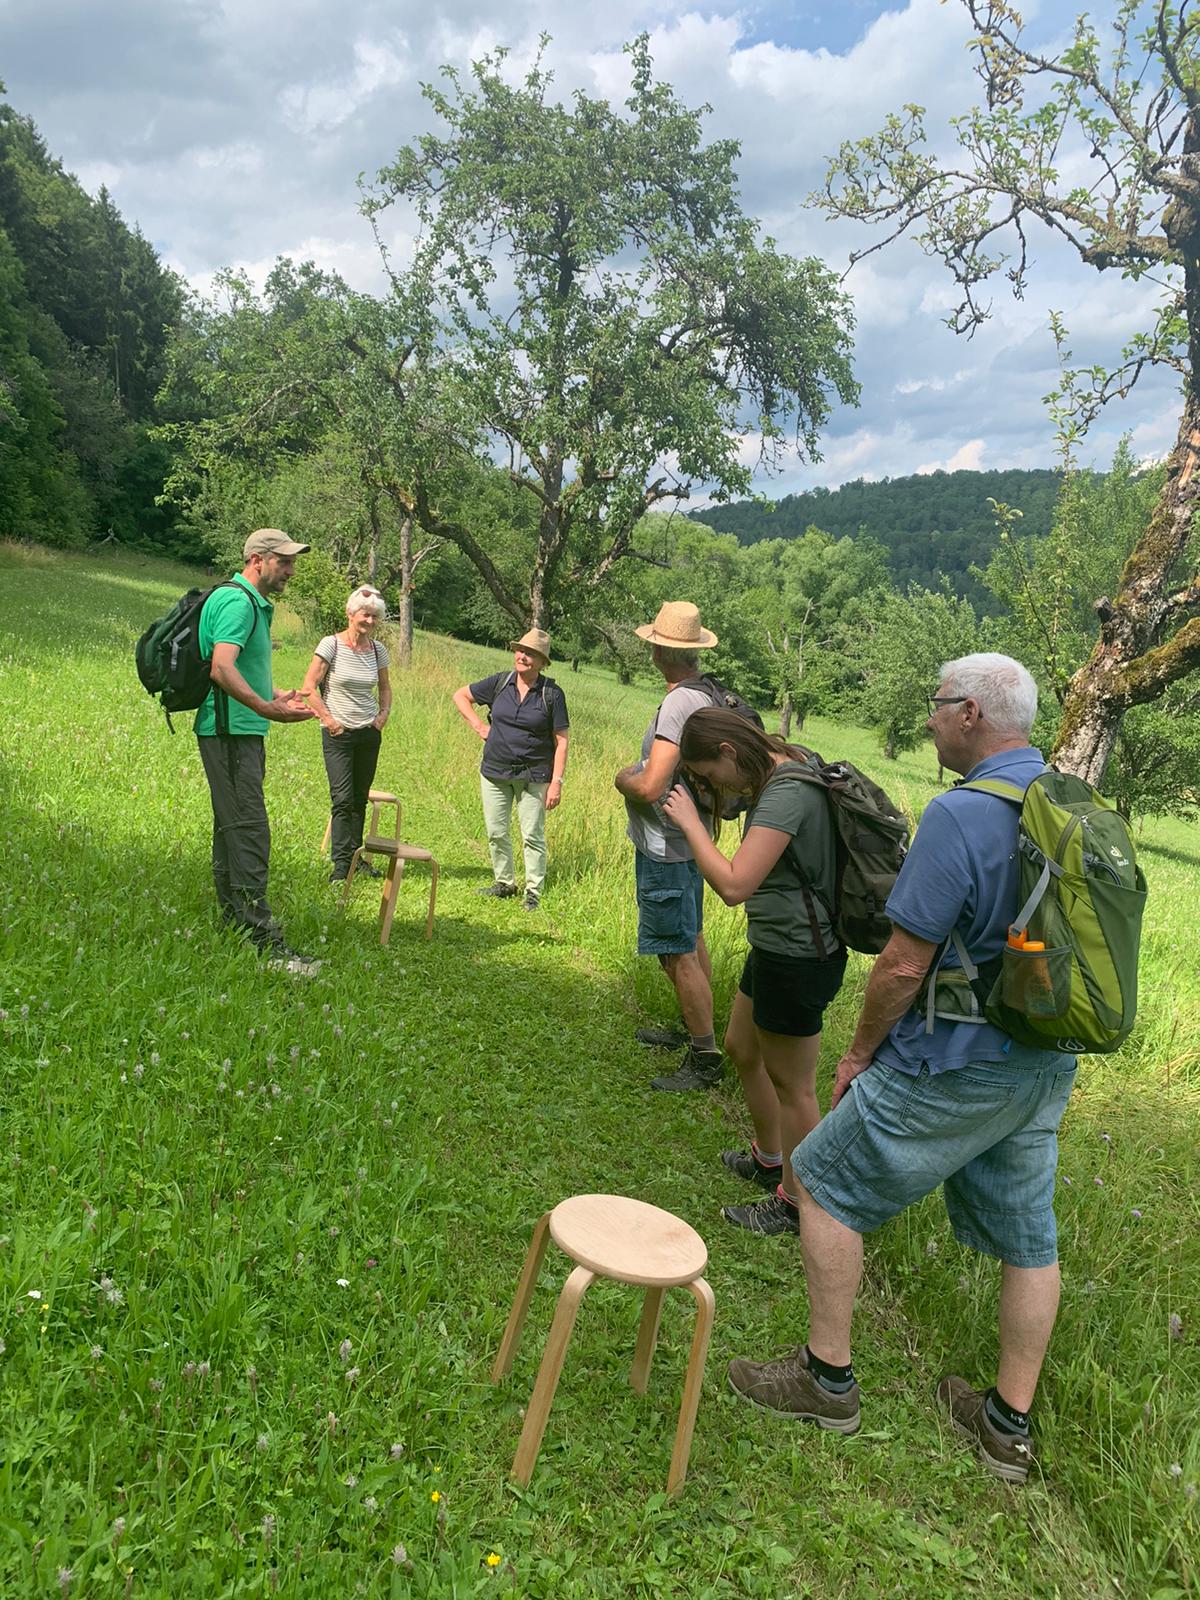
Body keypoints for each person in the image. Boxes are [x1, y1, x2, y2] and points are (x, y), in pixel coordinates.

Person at [726, 654, 1077, 1484]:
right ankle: (1006, 1428)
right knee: (1030, 1237)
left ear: (970, 715)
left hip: (953, 1060)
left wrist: (858, 1052)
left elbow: (900, 964)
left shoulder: (962, 814)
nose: (927, 718)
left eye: (936, 704)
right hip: (1044, 1061)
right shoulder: (1066, 801)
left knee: (814, 1178)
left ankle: (827, 1380)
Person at [662, 708, 847, 1235]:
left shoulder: (787, 790)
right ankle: (771, 1159)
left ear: (727, 751)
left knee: (796, 1087)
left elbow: (735, 885)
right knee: (742, 1048)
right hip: (776, 946)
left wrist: (692, 826)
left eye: (711, 776)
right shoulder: (778, 769)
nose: (716, 788)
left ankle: (798, 1203)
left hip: (799, 957)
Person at [195, 529, 317, 972]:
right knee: (248, 830)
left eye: (291, 562)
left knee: (232, 827)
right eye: (283, 561)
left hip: (238, 731)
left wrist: (274, 693)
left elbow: (239, 668)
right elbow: (222, 667)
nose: (290, 570)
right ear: (257, 560)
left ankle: (235, 925)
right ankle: (264, 944)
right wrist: (266, 708)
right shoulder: (237, 602)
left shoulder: (250, 603)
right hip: (229, 733)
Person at [614, 602, 723, 1092]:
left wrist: (623, 779)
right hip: (686, 841)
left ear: (660, 649)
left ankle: (705, 1057)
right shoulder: (704, 692)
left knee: (676, 950)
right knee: (689, 937)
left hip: (668, 846)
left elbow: (653, 784)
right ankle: (695, 1028)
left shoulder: (680, 703)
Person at [452, 629, 569, 911]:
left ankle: (533, 891)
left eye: (531, 654)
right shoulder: (500, 682)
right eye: (520, 651)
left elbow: (561, 741)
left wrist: (557, 782)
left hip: (534, 775)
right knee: (496, 830)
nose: (523, 656)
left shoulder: (551, 694)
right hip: (494, 770)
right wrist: (479, 726)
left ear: (542, 662)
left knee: (532, 834)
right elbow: (460, 696)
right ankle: (504, 882)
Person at [300, 586, 393, 886]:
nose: (369, 621)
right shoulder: (331, 645)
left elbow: (385, 687)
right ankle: (341, 865)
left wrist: (384, 714)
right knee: (341, 799)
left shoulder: (378, 650)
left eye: (374, 616)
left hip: (368, 733)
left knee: (358, 799)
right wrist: (328, 720)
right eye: (365, 615)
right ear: (350, 614)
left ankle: (356, 858)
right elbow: (309, 688)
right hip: (338, 734)